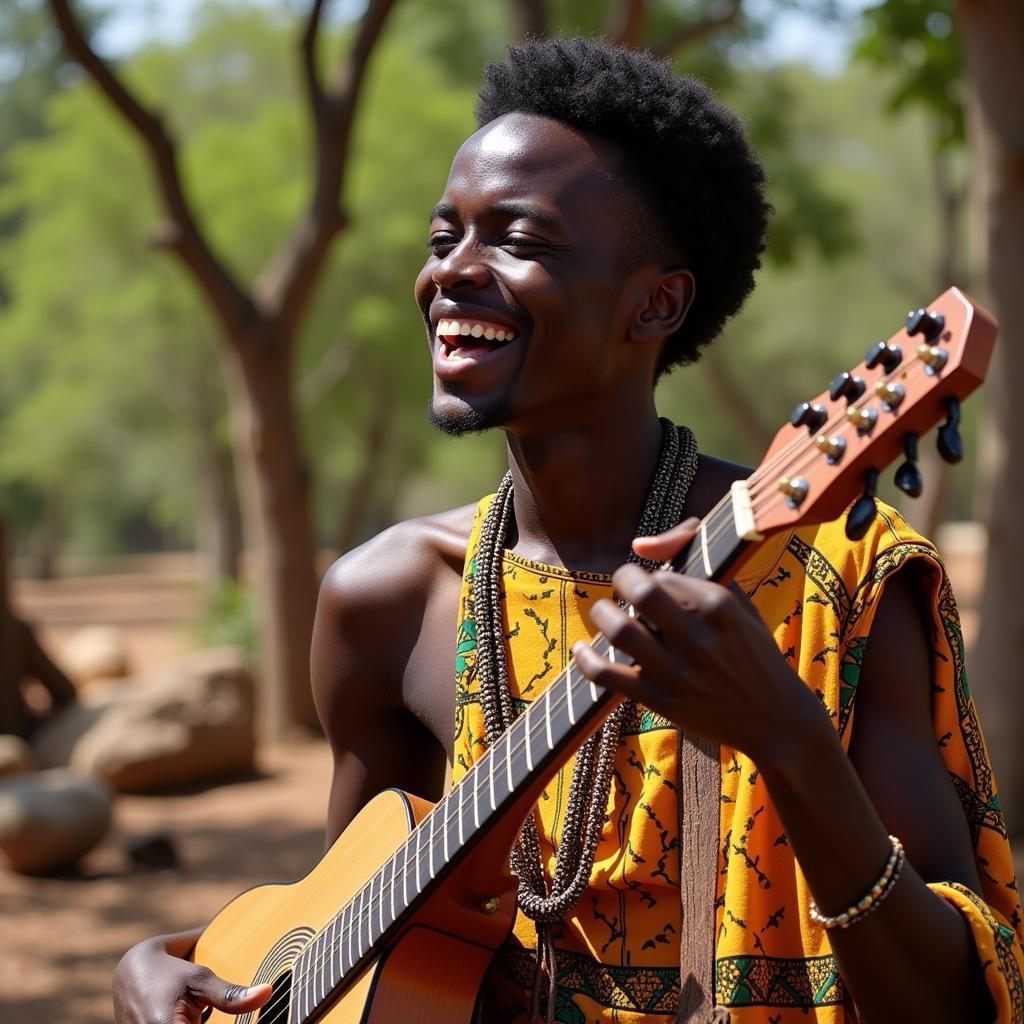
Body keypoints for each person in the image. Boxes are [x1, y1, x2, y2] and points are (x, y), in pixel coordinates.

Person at [112, 38, 1024, 1024]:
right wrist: (167, 955)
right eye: (441, 237)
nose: (454, 272)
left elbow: (954, 1004)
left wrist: (787, 740)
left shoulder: (832, 578)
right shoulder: (387, 598)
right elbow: (355, 952)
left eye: (518, 238)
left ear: (656, 302)